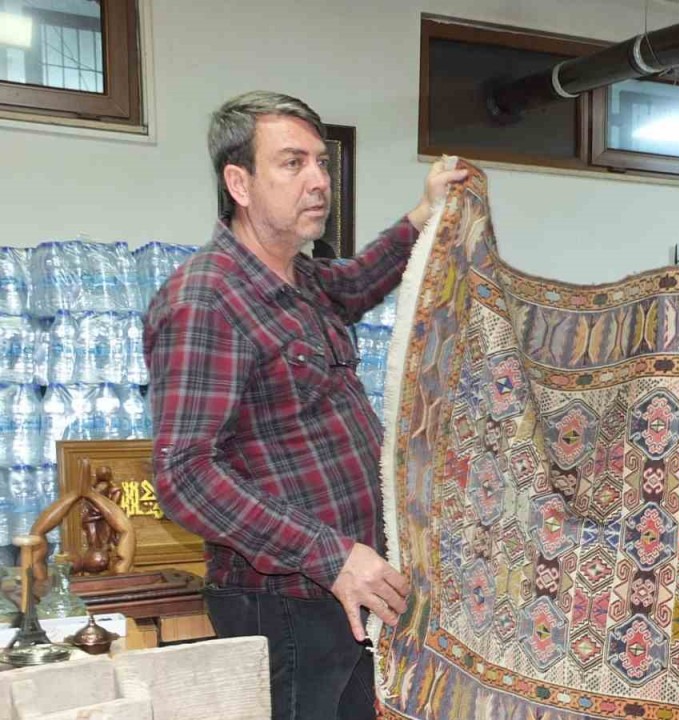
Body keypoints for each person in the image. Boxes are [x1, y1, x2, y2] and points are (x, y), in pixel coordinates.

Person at [144, 90, 466, 720]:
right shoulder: (205, 301)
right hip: (287, 603)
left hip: (344, 591)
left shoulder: (303, 280)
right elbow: (184, 474)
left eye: (321, 162)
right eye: (292, 163)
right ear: (239, 183)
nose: (319, 180)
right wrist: (332, 555)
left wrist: (423, 214)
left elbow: (360, 280)